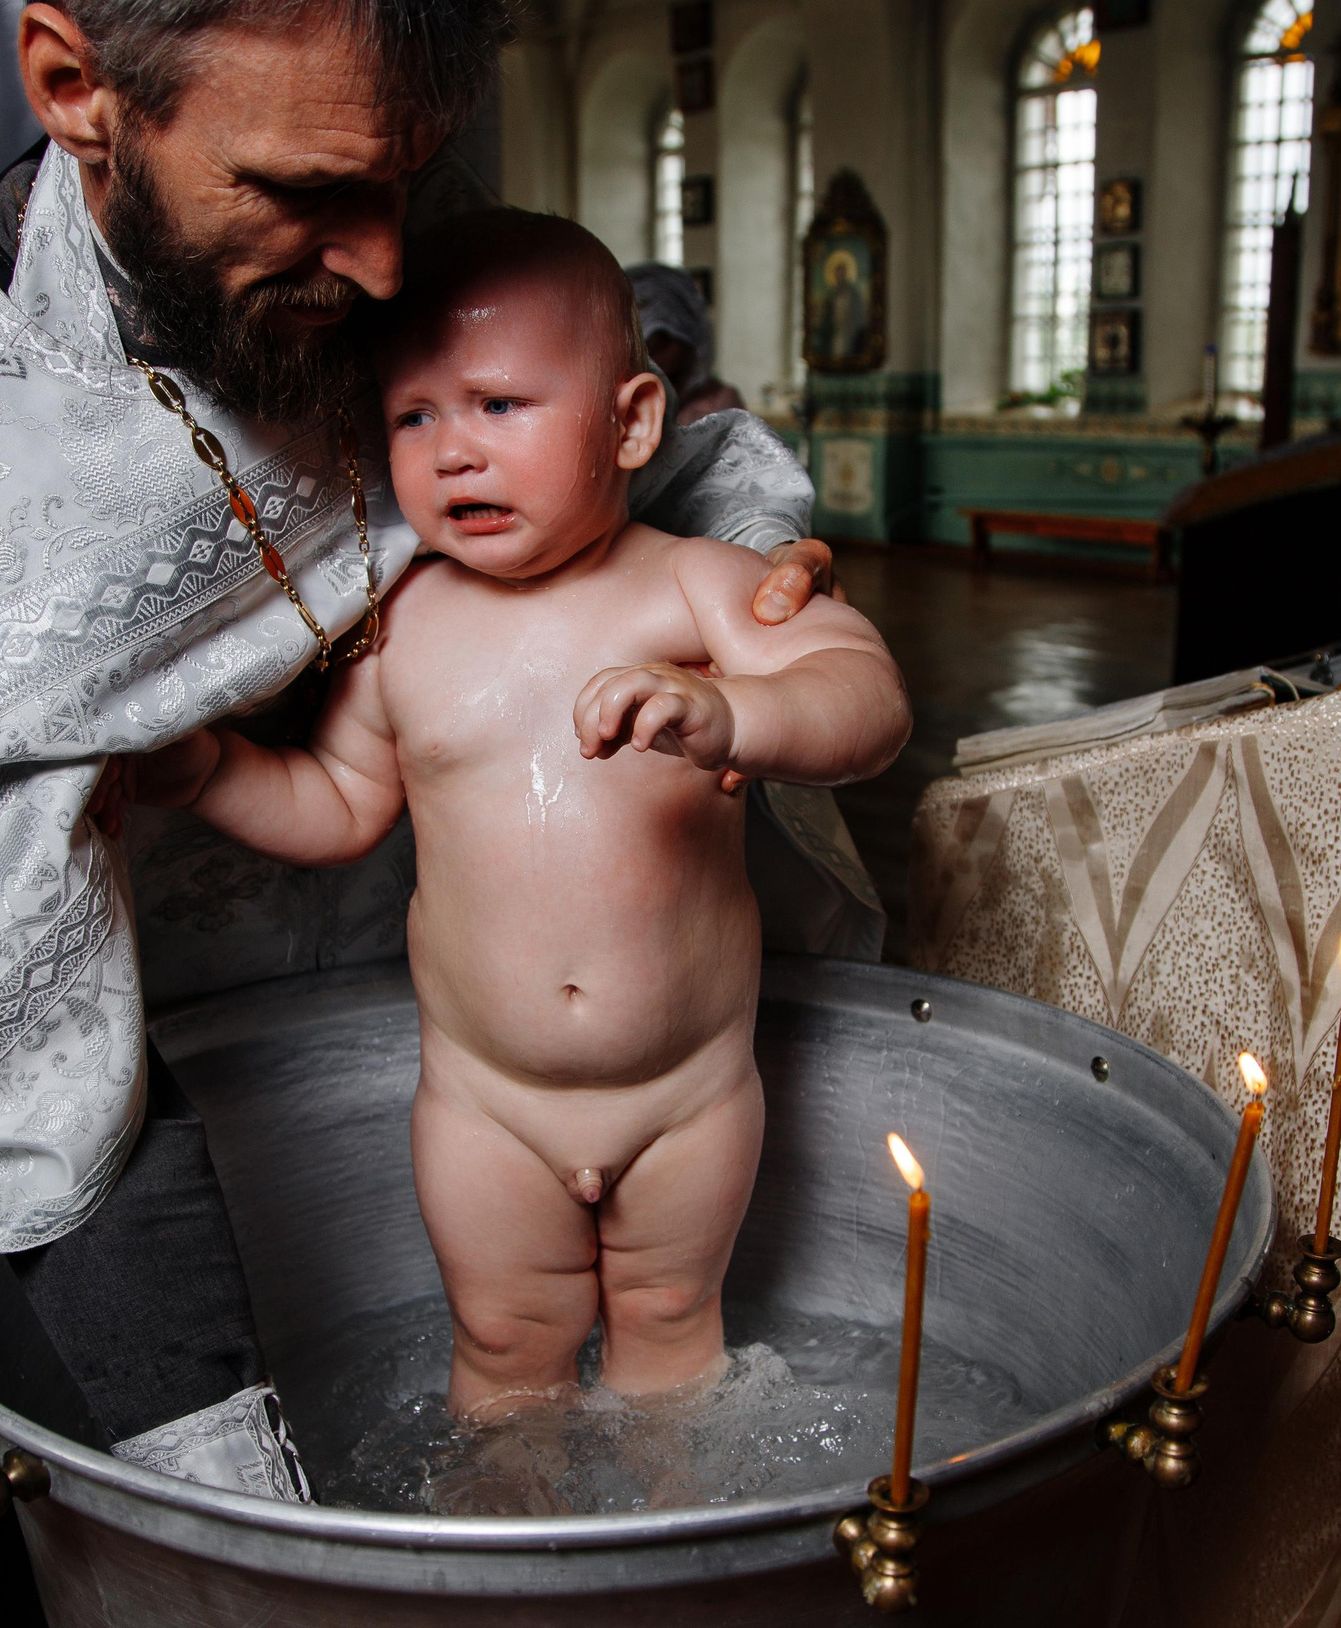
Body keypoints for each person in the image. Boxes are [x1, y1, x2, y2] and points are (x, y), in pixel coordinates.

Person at [0, 6, 852, 1628]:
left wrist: (749, 600)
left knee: (666, 1370)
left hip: (533, 996)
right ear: (74, 92)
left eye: (406, 177)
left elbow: (653, 450)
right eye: (311, 190)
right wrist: (184, 764)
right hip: (138, 1052)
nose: (386, 253)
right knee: (193, 1565)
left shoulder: (367, 196)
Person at [132, 213, 906, 1420]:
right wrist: (204, 774)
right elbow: (339, 805)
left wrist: (735, 711)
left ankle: (661, 1554)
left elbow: (865, 699)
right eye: (413, 417)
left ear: (631, 421)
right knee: (503, 1351)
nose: (455, 454)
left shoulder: (692, 588)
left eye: (500, 406)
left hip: (687, 1096)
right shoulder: (400, 633)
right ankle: (500, 1570)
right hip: (488, 1106)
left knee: (670, 1341)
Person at [625, 261, 743, 426]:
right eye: (645, 346)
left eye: (662, 343)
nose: (652, 358)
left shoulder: (717, 407)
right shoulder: (625, 405)